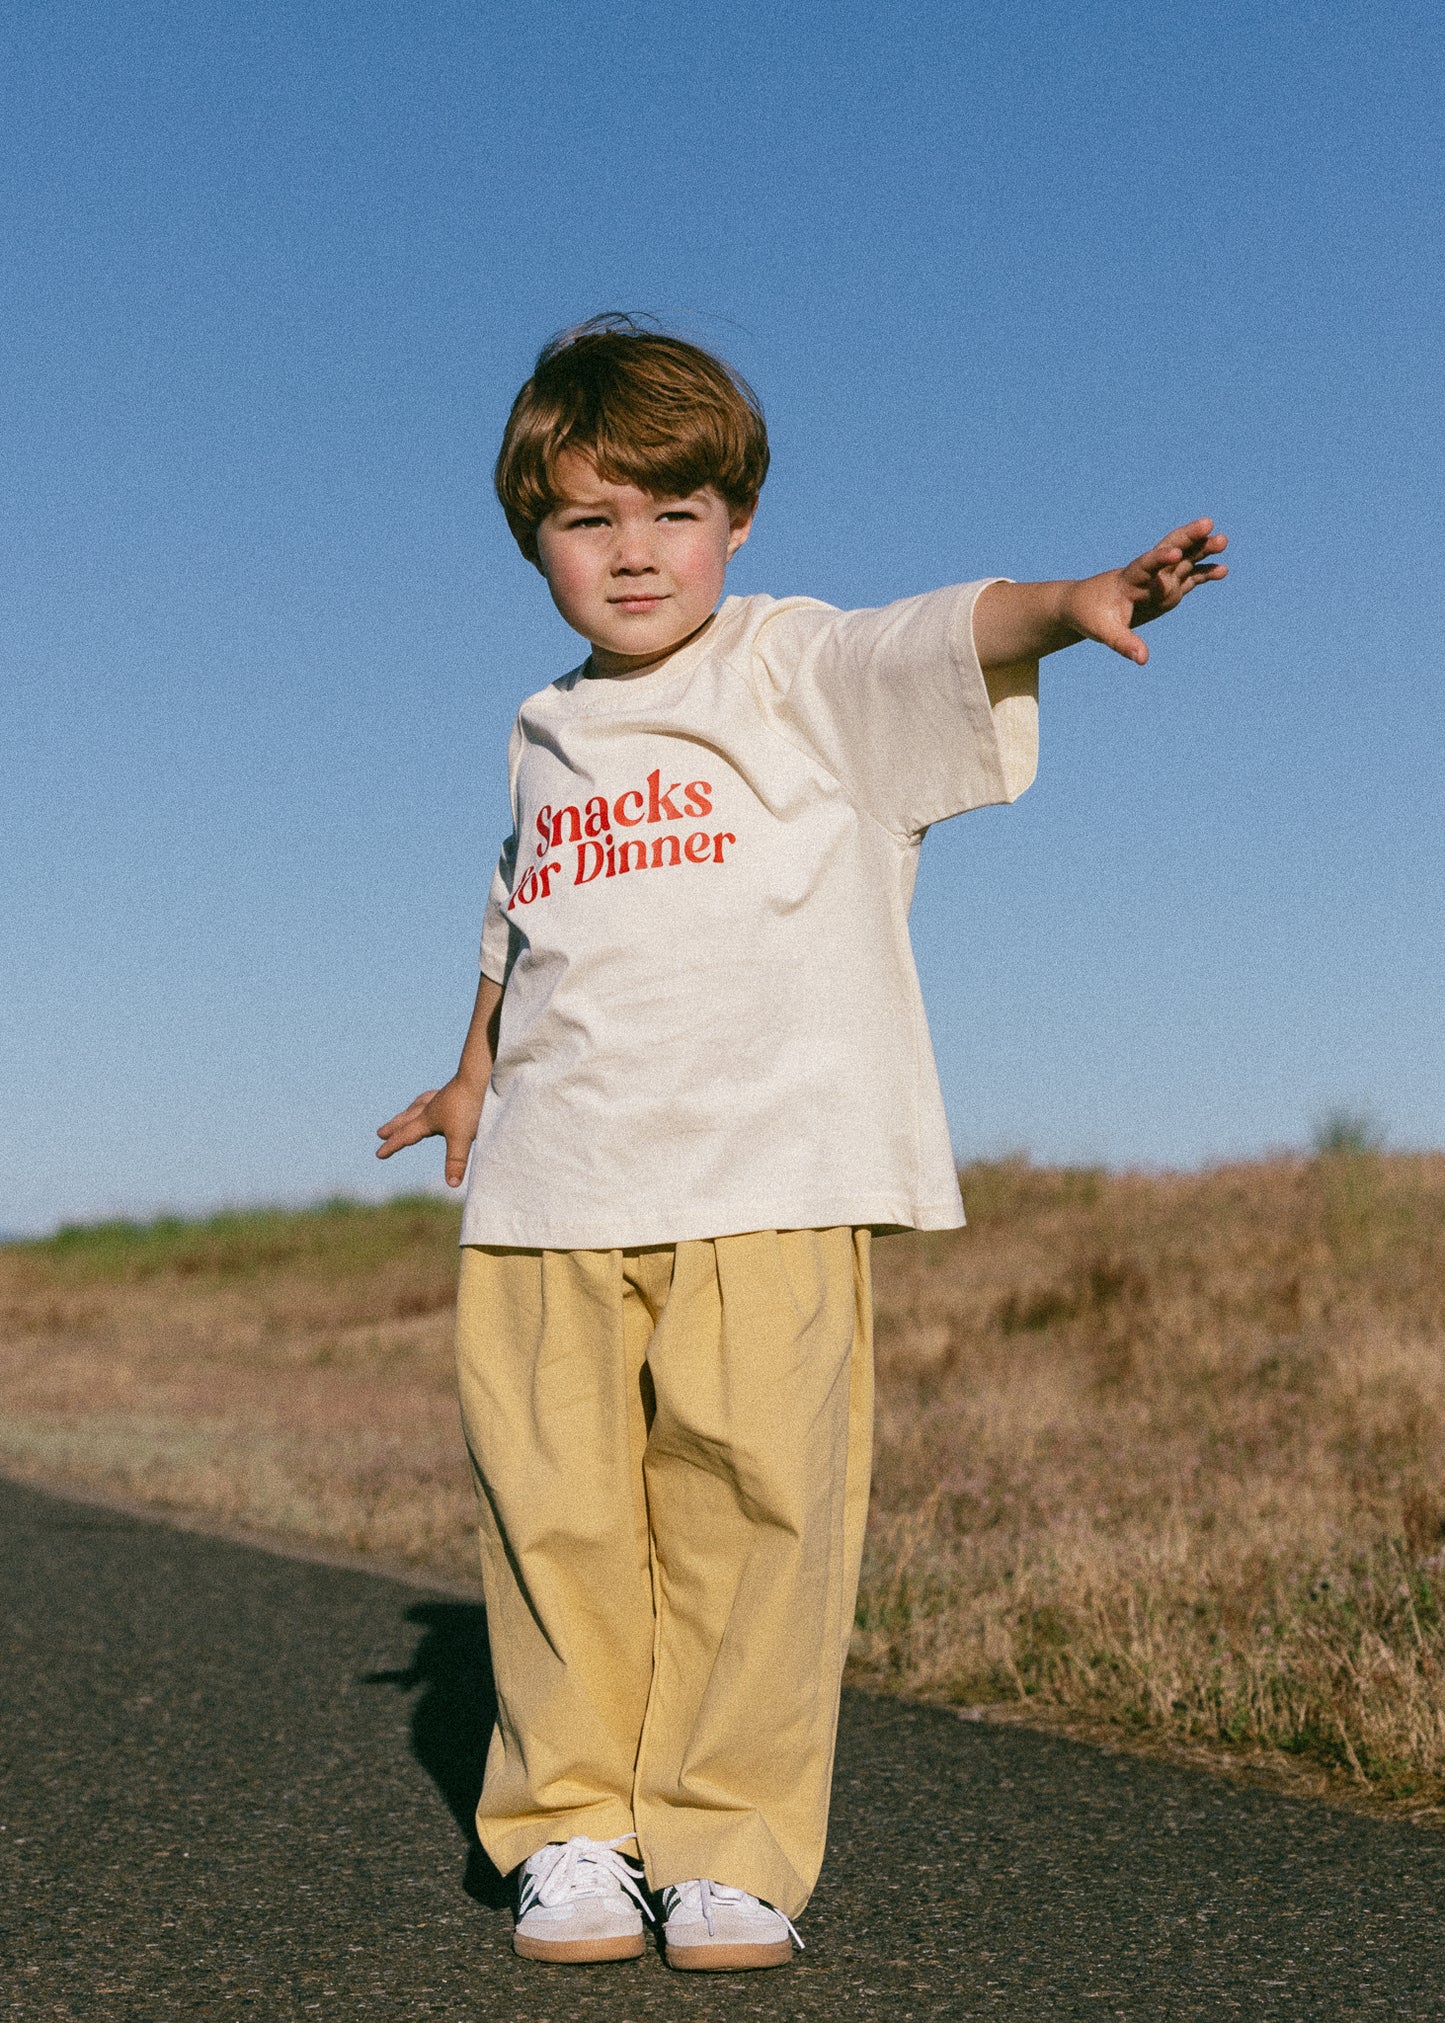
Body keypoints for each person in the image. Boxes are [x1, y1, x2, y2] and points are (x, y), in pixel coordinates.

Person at [376, 316, 1227, 1972]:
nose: (635, 552)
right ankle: (571, 1830)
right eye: (587, 518)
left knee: (754, 1512)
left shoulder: (793, 667)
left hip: (764, 1182)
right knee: (551, 1521)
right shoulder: (544, 728)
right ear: (531, 537)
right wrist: (470, 1069)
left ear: (737, 519)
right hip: (553, 1187)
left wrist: (1071, 603)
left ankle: (726, 1845)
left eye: (673, 510)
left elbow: (941, 634)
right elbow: (521, 906)